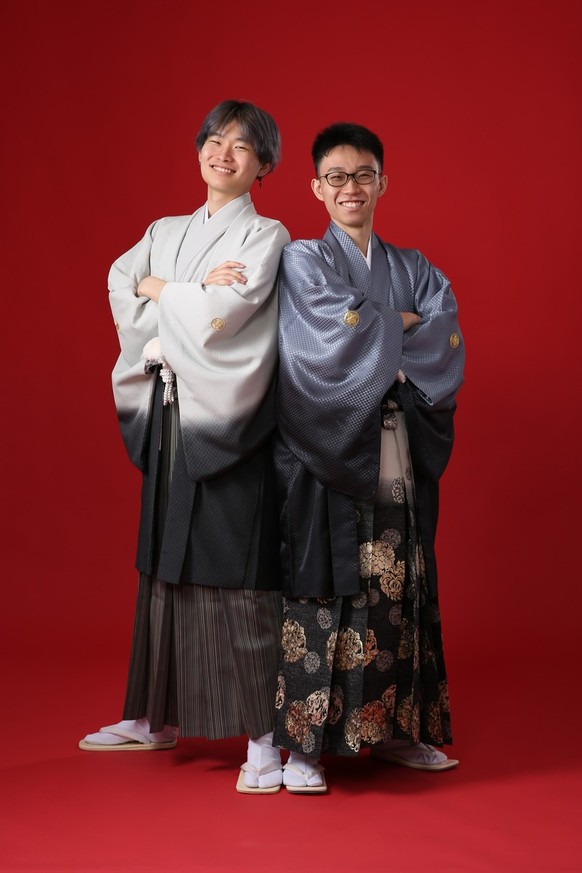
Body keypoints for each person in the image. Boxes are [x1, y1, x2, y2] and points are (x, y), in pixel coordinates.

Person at [79, 100, 291, 795]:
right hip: (170, 410)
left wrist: (163, 290)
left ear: (264, 165)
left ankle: (263, 735)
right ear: (199, 148)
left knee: (236, 566)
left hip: (229, 418)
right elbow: (120, 282)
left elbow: (222, 317)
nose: (223, 153)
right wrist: (188, 290)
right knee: (163, 559)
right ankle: (154, 715)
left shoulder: (265, 235)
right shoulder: (164, 230)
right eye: (214, 140)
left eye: (242, 146)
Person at [272, 122, 465, 793]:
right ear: (316, 188)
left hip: (396, 442)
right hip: (328, 446)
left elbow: (443, 328)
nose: (350, 187)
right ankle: (304, 750)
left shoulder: (413, 266)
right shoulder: (303, 260)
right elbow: (319, 339)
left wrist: (373, 328)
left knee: (398, 582)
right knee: (328, 584)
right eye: (336, 177)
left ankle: (396, 732)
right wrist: (397, 327)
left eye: (363, 175)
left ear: (383, 182)